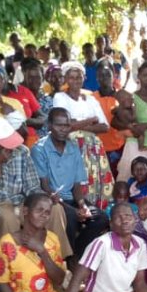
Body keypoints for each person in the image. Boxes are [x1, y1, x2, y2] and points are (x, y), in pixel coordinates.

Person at [0, 193, 95, 292]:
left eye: (47, 212)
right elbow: (1, 284)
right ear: (25, 211)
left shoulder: (52, 239)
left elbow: (60, 279)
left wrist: (42, 252)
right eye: (39, 210)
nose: (44, 215)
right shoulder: (7, 243)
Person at [0, 116, 73, 258]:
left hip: (23, 202)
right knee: (8, 217)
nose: (10, 146)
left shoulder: (22, 151)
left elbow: (33, 187)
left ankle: (58, 258)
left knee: (54, 209)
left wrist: (45, 197)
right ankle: (14, 264)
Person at [32, 107, 109, 256]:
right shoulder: (39, 149)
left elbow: (77, 185)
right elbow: (45, 187)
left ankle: (77, 254)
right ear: (49, 125)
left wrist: (82, 205)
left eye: (66, 125)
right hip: (52, 200)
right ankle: (66, 259)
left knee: (101, 218)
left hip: (71, 200)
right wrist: (74, 210)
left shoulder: (73, 148)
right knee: (71, 216)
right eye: (58, 125)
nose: (63, 129)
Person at [53, 61, 114, 211]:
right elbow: (64, 125)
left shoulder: (91, 99)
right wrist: (90, 120)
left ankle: (95, 212)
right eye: (71, 77)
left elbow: (104, 126)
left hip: (93, 148)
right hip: (72, 147)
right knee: (76, 182)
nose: (75, 80)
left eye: (78, 77)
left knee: (96, 182)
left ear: (84, 78)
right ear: (65, 79)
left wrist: (76, 123)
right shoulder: (60, 97)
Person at [92, 63, 125, 175]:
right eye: (101, 75)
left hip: (119, 148)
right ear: (97, 78)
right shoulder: (91, 98)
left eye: (107, 74)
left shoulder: (122, 96)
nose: (104, 78)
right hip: (98, 149)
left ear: (114, 76)